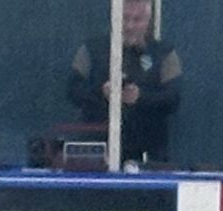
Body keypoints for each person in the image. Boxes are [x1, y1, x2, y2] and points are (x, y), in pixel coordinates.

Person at [67, 0, 182, 167]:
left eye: (137, 19)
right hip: (97, 155)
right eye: (125, 18)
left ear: (147, 21)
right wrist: (102, 93)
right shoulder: (91, 50)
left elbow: (173, 98)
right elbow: (72, 90)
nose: (129, 26)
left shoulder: (164, 54)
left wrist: (140, 97)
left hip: (148, 156)